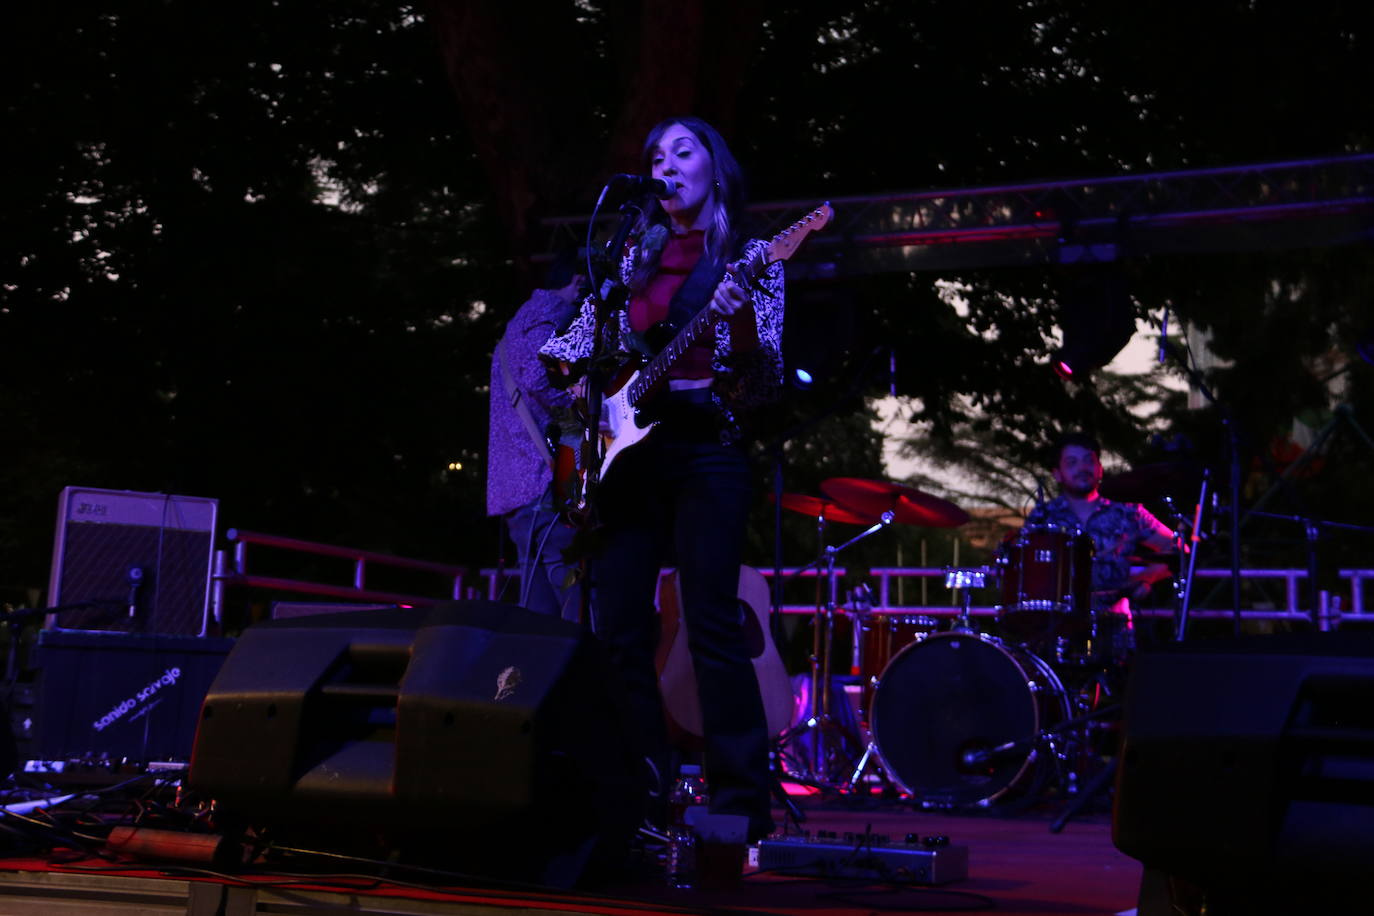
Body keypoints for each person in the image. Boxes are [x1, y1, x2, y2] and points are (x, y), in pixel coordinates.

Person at [539, 116, 783, 843]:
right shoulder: (627, 252)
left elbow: (764, 379)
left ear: (717, 167)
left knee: (711, 624)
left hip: (707, 443)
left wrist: (735, 323)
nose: (668, 164)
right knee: (618, 629)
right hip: (623, 454)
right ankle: (642, 790)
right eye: (657, 155)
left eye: (684, 151)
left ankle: (739, 803)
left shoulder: (750, 257)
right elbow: (571, 347)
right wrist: (583, 395)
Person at [485, 262, 585, 622]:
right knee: (569, 575)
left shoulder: (518, 321)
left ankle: (535, 673)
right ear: (576, 280)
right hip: (543, 476)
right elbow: (538, 380)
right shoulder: (549, 312)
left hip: (517, 482)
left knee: (535, 592)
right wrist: (583, 400)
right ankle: (580, 666)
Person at [1025, 432, 1178, 657]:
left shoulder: (1128, 512)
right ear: (1057, 474)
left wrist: (1146, 577)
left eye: (1089, 460)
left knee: (1121, 689)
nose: (1082, 468)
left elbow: (1178, 549)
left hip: (1114, 621)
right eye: (1072, 462)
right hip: (1057, 624)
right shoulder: (1042, 516)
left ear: (1100, 469)